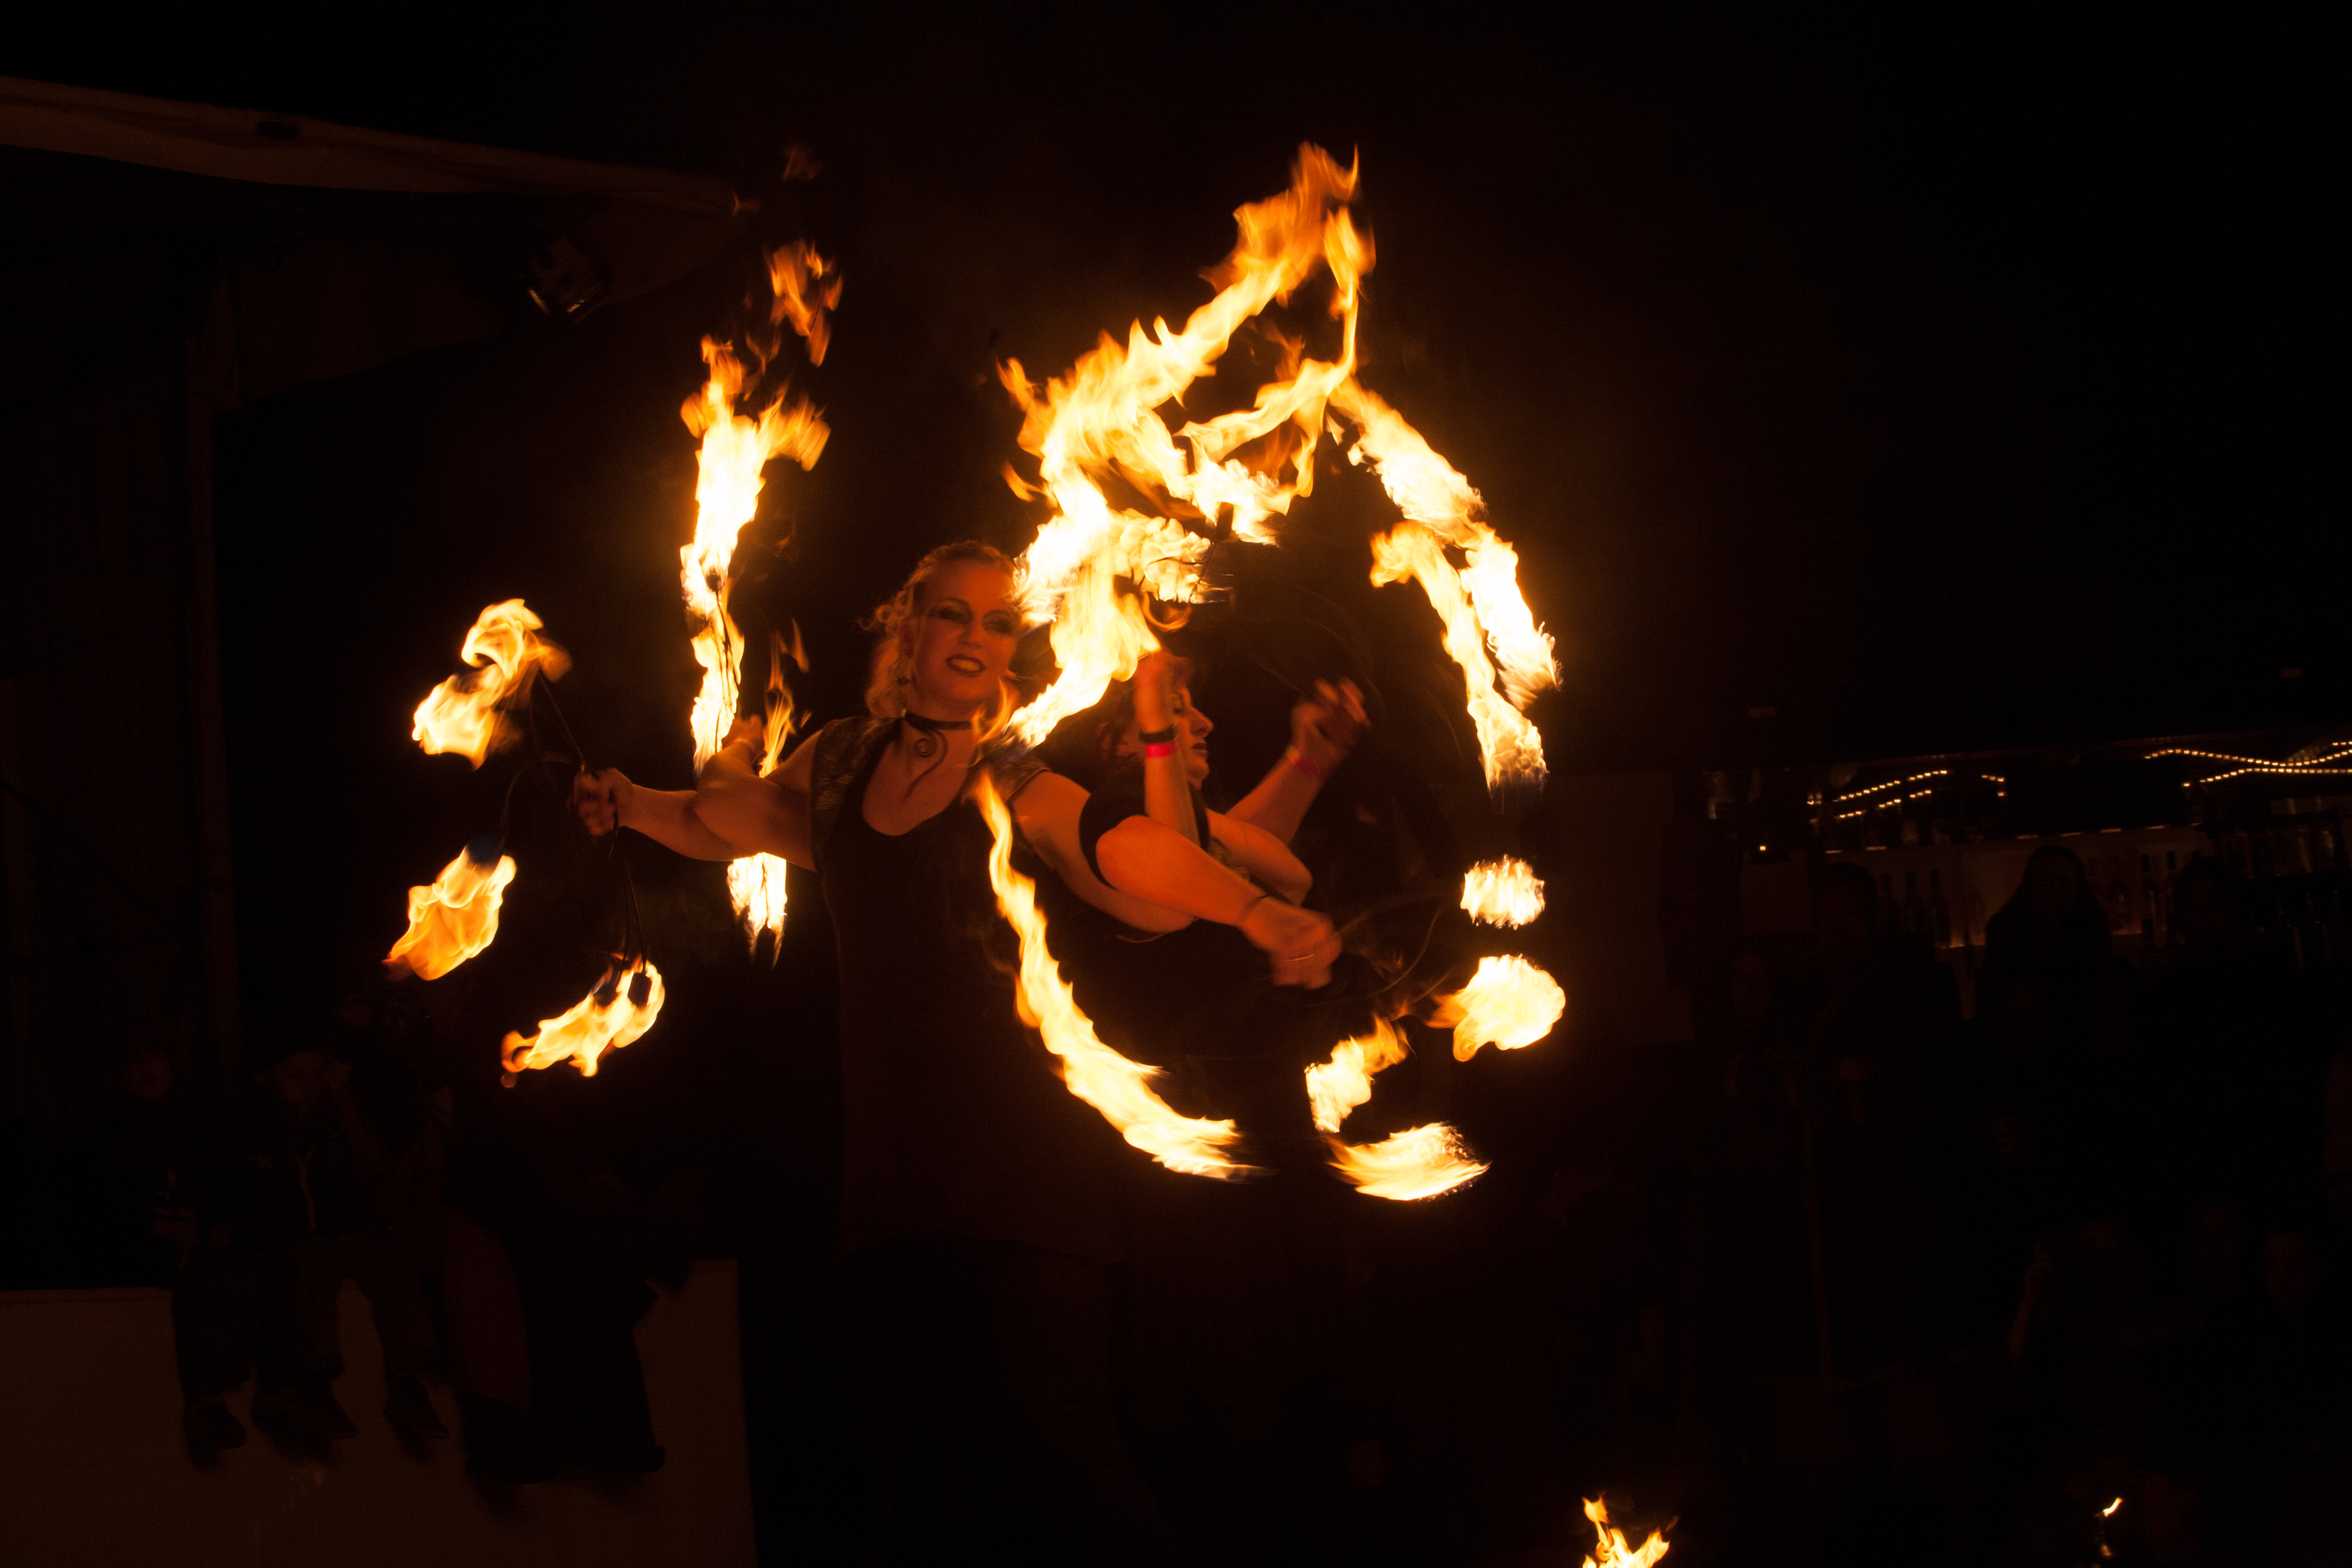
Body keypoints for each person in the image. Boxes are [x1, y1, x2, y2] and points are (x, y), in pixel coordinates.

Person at [572, 540, 1343, 1561]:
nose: (975, 636)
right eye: (952, 613)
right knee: (922, 1485)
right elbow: (733, 821)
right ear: (908, 628)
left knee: (1065, 1462)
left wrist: (1253, 911)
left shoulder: (1014, 779)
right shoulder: (840, 762)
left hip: (1028, 1183)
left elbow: (1125, 852)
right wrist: (633, 804)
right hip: (894, 1186)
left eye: (998, 622)